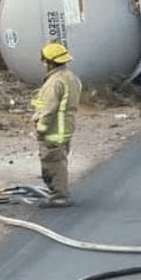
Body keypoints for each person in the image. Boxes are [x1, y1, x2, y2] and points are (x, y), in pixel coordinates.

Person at [32, 42, 83, 208]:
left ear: (50, 62)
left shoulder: (55, 82)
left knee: (53, 164)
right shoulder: (71, 78)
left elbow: (49, 109)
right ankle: (58, 192)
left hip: (54, 130)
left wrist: (41, 128)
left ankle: (59, 196)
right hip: (66, 128)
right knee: (59, 160)